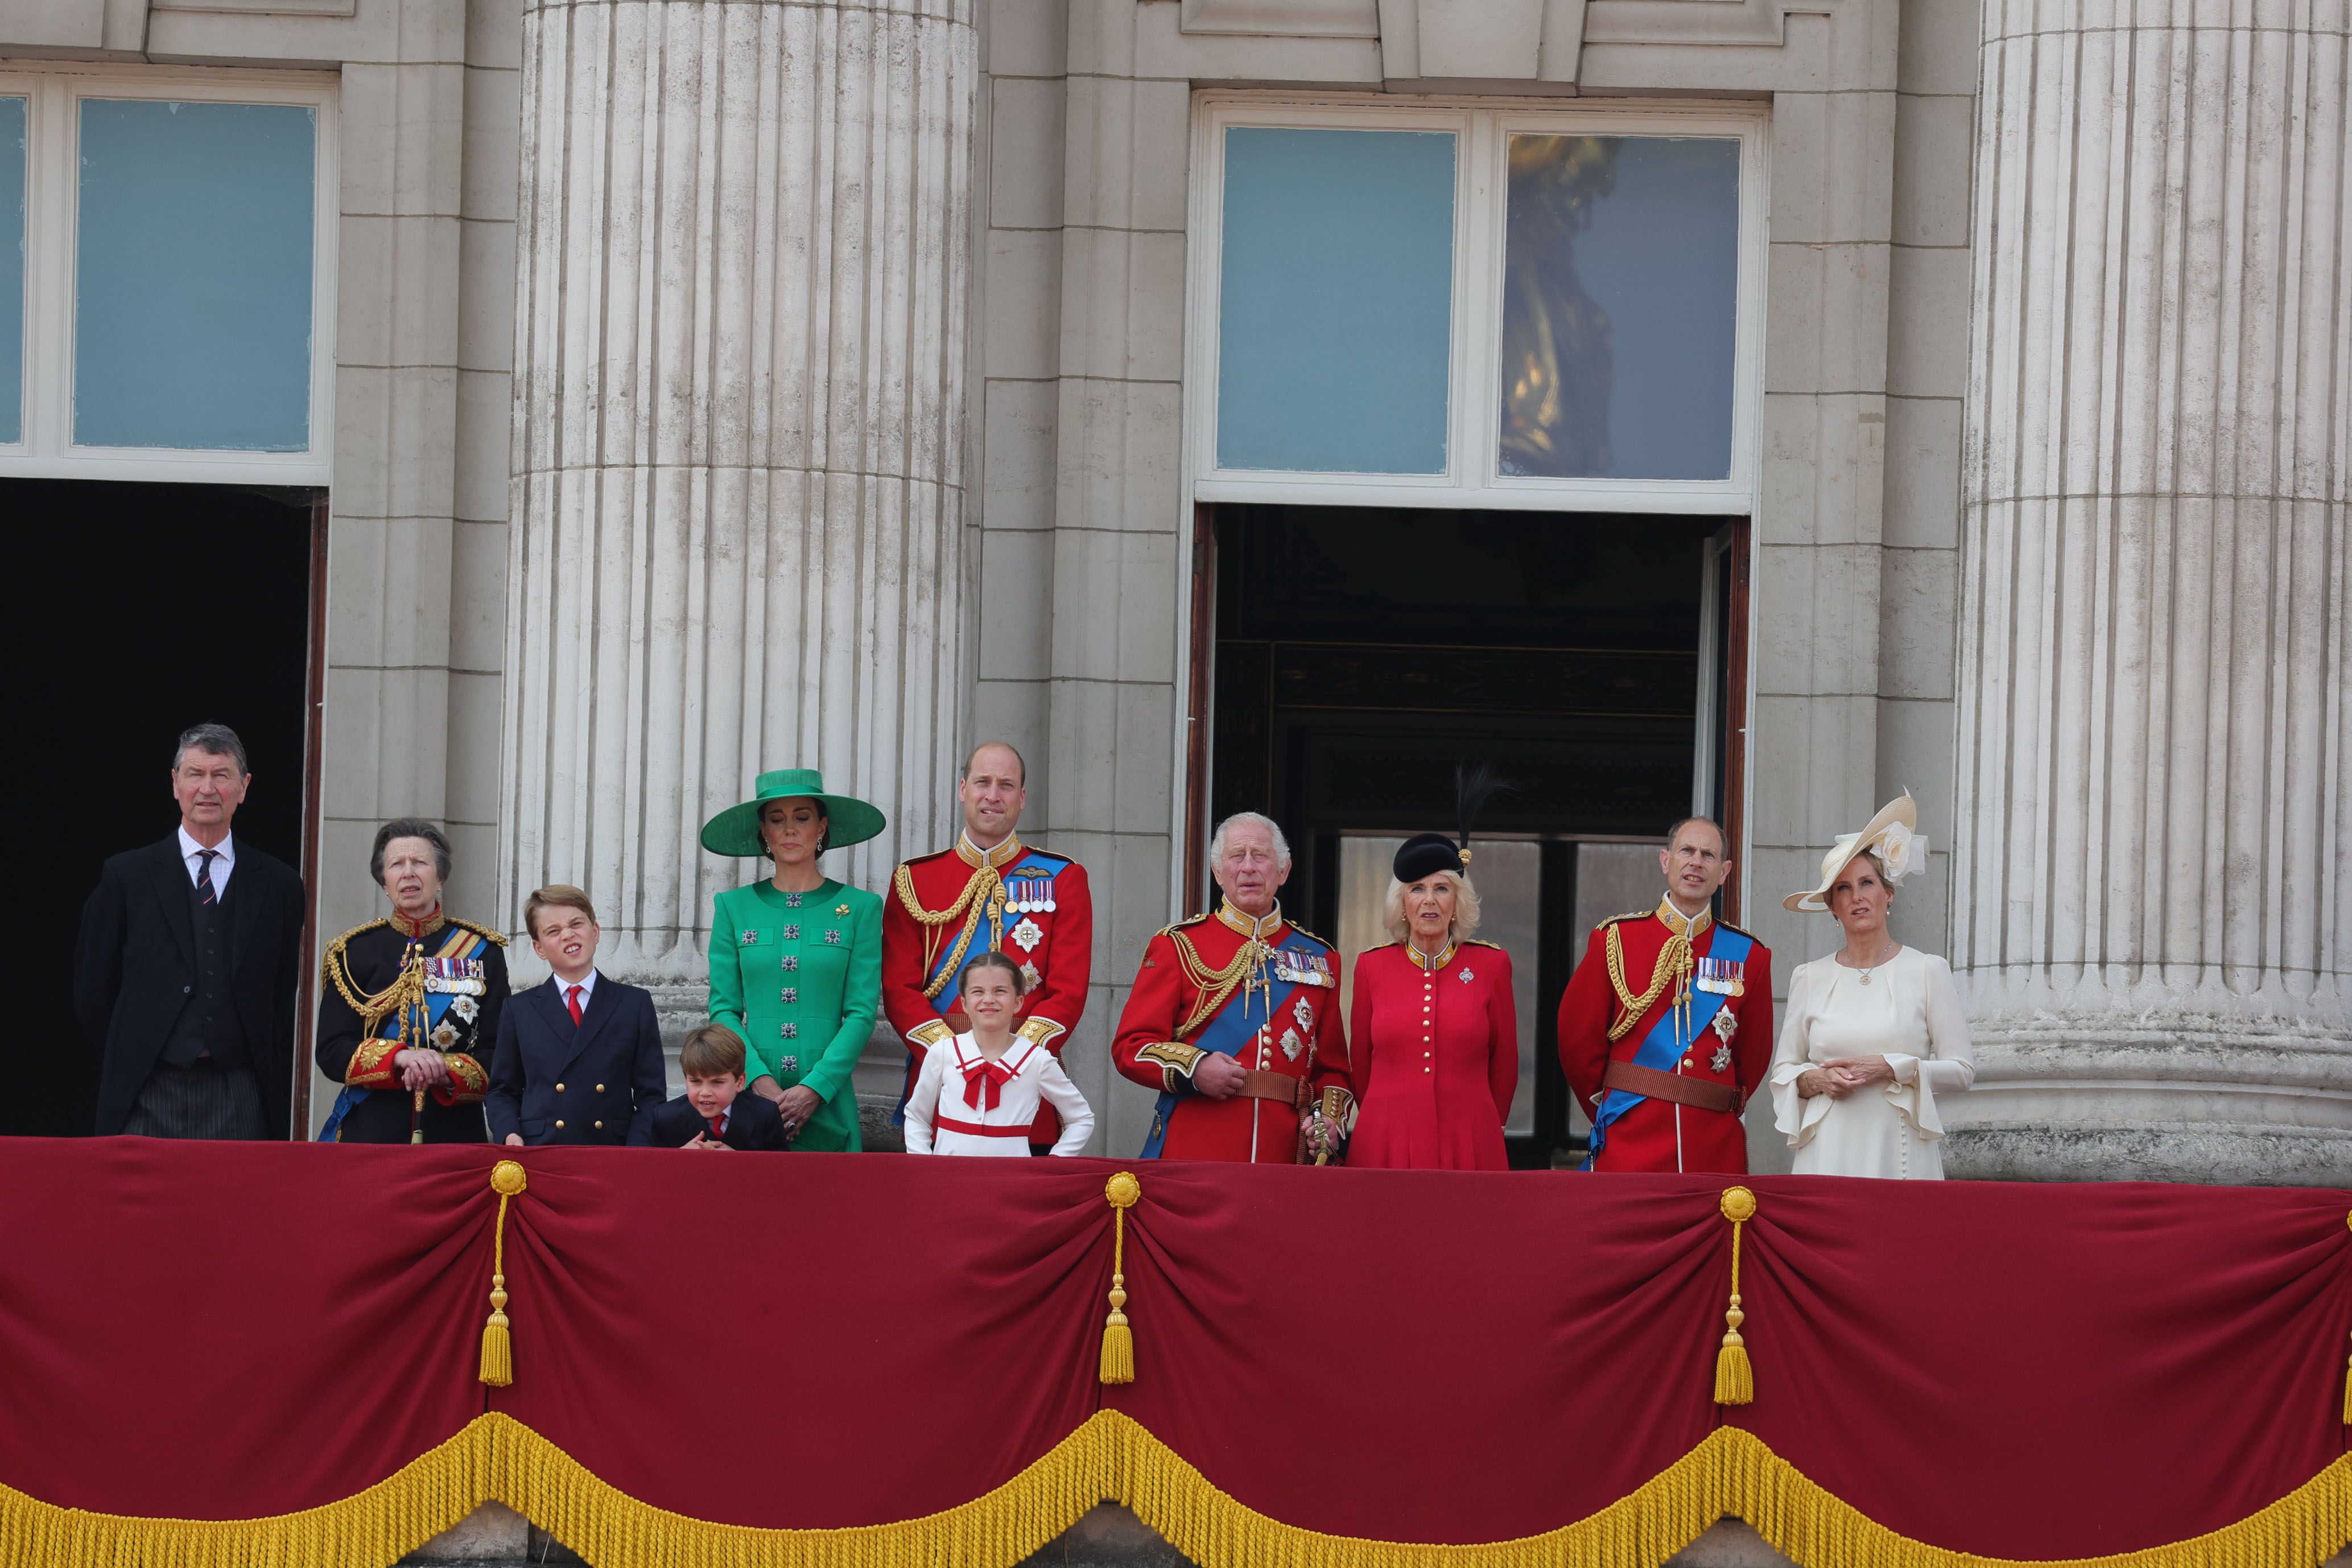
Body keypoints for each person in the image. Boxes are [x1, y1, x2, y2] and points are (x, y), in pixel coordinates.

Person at [75, 723, 308, 1139]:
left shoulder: (280, 885)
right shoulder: (126, 876)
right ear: (175, 783)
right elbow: (94, 989)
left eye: (221, 776)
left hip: (239, 1088)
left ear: (244, 786)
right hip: (147, 1087)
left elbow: (280, 994)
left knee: (234, 1203)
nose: (207, 789)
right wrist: (134, 1053)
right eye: (195, 774)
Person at [882, 741, 1093, 1152]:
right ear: (963, 789)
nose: (993, 795)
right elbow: (897, 988)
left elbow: (1068, 991)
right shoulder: (914, 880)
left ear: (1022, 797)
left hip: (1027, 1081)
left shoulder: (1064, 878)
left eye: (1006, 785)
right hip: (940, 1076)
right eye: (983, 782)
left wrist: (1015, 1057)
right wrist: (953, 1058)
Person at [1111, 812, 1349, 1162]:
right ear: (1217, 871)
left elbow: (1334, 1070)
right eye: (1237, 856)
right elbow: (1131, 1047)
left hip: (1282, 1151)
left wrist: (1328, 1118)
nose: (1249, 867)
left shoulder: (1321, 958)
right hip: (1196, 1145)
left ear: (1283, 871)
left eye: (1261, 856)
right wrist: (1195, 1069)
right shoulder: (1177, 945)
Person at [1768, 794, 1974, 1178]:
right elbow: (1783, 1071)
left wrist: (1891, 1067)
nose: (1857, 896)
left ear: (1888, 894)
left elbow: (1962, 1072)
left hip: (1900, 1155)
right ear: (1833, 907)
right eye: (1843, 889)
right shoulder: (1808, 977)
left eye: (1866, 883)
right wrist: (1814, 1079)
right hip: (1826, 1153)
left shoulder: (1928, 970)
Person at [1556, 815, 1773, 1173]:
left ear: (1724, 872)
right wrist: (1614, 1104)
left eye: (1708, 855)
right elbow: (1578, 1042)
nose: (1696, 862)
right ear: (1665, 861)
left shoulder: (1750, 955)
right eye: (1686, 851)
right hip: (1630, 1138)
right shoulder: (1616, 940)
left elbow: (1753, 1056)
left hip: (1712, 1147)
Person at [700, 768, 886, 1151]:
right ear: (764, 832)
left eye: (802, 818)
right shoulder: (732, 907)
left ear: (821, 826)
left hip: (829, 1098)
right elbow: (723, 1010)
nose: (789, 830)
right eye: (776, 819)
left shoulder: (861, 908)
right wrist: (757, 1080)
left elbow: (862, 1012)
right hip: (751, 1094)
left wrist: (817, 1087)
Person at [316, 819, 509, 1144]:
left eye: (420, 863)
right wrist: (401, 1058)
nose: (408, 873)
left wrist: (444, 1069)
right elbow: (332, 1051)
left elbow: (501, 1052)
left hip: (454, 1133)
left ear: (440, 878)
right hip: (372, 1130)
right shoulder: (353, 952)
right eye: (396, 865)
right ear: (384, 883)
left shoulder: (482, 951)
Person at [1347, 833, 1517, 1170]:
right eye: (1417, 889)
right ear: (1402, 903)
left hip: (1469, 1138)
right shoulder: (1371, 967)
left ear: (1457, 902)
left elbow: (1505, 1061)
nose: (1429, 901)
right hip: (1385, 1138)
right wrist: (1386, 1117)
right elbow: (1360, 1063)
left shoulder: (1491, 966)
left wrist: (1484, 1128)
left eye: (1441, 889)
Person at [486, 885, 667, 1148]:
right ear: (539, 949)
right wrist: (510, 1135)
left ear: (595, 932)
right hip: (542, 1150)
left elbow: (651, 1095)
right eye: (554, 931)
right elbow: (502, 1092)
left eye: (576, 924)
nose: (568, 935)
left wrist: (635, 1151)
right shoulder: (519, 1009)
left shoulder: (634, 1003)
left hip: (612, 1150)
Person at [903, 952, 1094, 1157]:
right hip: (948, 1179)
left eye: (1000, 991)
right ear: (965, 1004)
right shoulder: (942, 1053)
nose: (988, 1000)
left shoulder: (1037, 1060)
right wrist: (922, 1163)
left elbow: (1081, 1118)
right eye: (978, 992)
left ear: (1018, 1002)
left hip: (1012, 1182)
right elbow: (917, 1116)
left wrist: (1054, 1162)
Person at [634, 1023, 790, 1150]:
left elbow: (781, 1173)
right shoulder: (666, 1118)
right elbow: (655, 1178)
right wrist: (679, 1159)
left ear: (740, 1082)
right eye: (696, 1081)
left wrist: (740, 1162)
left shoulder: (765, 1114)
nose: (705, 1092)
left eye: (717, 1082)